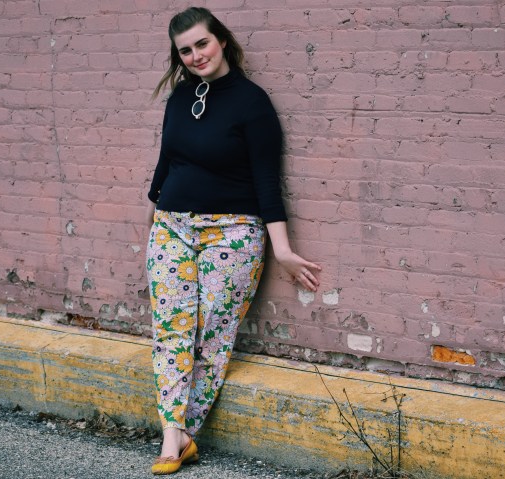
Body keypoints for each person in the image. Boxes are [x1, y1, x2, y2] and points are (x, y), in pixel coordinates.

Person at [145, 6, 321, 475]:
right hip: (171, 227)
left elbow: (267, 180)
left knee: (211, 335)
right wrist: (154, 211)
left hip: (233, 233)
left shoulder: (252, 103)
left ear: (221, 40)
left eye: (202, 43)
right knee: (171, 329)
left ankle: (186, 434)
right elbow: (166, 161)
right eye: (185, 50)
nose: (196, 55)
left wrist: (282, 249)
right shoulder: (180, 98)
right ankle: (170, 436)